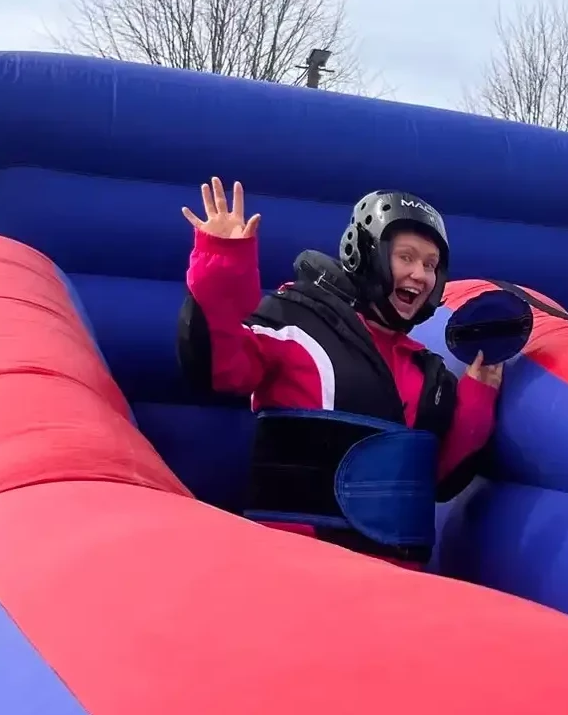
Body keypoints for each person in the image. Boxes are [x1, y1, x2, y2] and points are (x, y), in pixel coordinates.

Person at [177, 178, 500, 567]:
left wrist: (479, 397)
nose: (420, 274)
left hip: (398, 586)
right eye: (407, 257)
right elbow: (218, 367)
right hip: (295, 571)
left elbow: (441, 479)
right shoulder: (297, 323)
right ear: (369, 254)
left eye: (431, 265)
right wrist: (223, 263)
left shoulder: (427, 372)